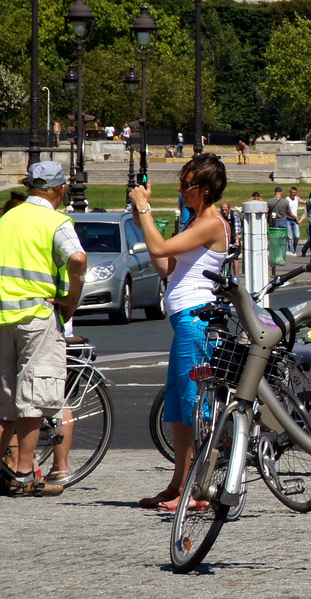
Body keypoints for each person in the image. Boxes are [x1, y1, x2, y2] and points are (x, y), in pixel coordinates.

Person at [129, 153, 231, 512]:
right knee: (177, 408)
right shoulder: (194, 222)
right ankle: (178, 485)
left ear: (204, 189)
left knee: (194, 407)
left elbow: (159, 249)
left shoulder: (212, 223)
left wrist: (144, 208)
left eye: (187, 185)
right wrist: (145, 219)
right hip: (183, 321)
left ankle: (197, 490)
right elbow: (164, 265)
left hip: (195, 322)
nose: (181, 190)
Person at [0, 162, 85, 497]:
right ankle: (23, 474)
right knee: (35, 396)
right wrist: (70, 299)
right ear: (59, 190)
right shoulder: (55, 221)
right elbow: (78, 259)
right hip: (36, 313)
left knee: (8, 394)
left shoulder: (7, 219)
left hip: (1, 314)